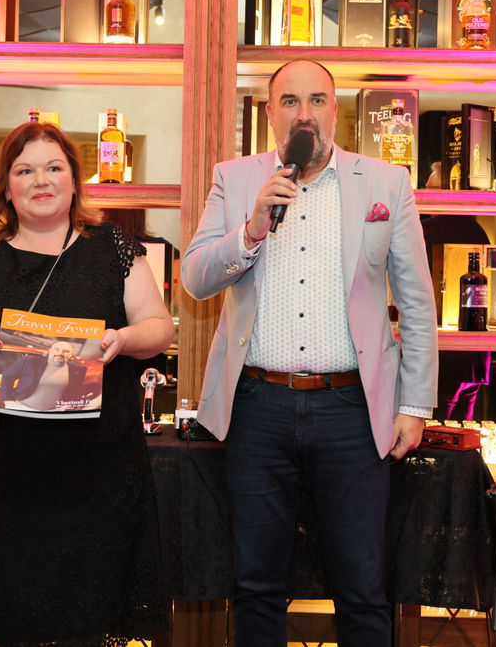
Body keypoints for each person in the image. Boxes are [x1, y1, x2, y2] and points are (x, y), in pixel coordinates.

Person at [180, 59, 439, 645]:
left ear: (335, 111)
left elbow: (417, 302)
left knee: (362, 587)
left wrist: (414, 405)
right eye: (290, 102)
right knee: (256, 585)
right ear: (270, 114)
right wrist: (251, 229)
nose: (305, 114)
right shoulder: (235, 179)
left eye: (317, 100)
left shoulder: (386, 182)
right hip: (257, 407)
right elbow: (195, 280)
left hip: (353, 410)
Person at [0, 120, 174, 646]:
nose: (41, 180)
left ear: (74, 180)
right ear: (5, 186)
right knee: (7, 616)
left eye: (54, 167)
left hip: (99, 471)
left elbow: (159, 329)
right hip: (7, 478)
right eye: (25, 170)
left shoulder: (113, 248)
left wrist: (123, 339)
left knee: (92, 616)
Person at [0, 340, 90, 410]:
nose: (60, 353)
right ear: (50, 350)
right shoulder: (29, 361)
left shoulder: (78, 369)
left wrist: (68, 405)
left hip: (53, 412)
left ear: (71, 354)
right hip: (21, 407)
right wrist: (8, 401)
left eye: (66, 351)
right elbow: (7, 377)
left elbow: (76, 390)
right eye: (56, 349)